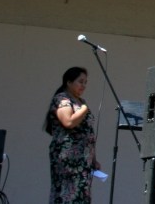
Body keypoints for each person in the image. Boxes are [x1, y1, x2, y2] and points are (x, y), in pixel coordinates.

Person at [44, 66, 100, 204]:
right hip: (68, 158)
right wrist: (84, 108)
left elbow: (87, 133)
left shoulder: (80, 102)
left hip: (84, 159)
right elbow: (68, 122)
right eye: (80, 81)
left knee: (81, 195)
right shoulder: (62, 99)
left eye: (85, 82)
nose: (84, 85)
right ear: (69, 82)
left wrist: (93, 159)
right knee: (66, 194)